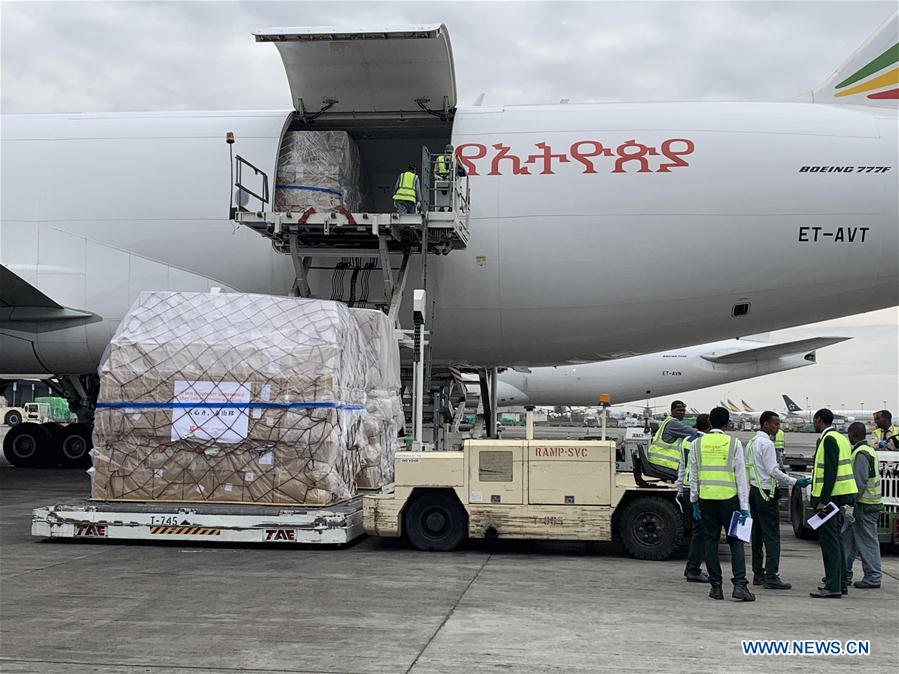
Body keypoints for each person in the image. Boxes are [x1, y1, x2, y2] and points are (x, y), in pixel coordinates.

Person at [689, 406, 754, 601]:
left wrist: (694, 501)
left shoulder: (697, 444)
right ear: (727, 423)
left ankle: (716, 587)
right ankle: (740, 586)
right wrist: (744, 507)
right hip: (729, 500)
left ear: (709, 422)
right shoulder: (733, 443)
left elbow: (693, 475)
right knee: (735, 542)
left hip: (706, 500)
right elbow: (741, 477)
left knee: (710, 541)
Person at [746, 411, 811, 589]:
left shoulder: (751, 443)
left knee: (757, 534)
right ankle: (771, 575)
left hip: (754, 490)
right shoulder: (766, 444)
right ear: (765, 424)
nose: (778, 427)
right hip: (766, 492)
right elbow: (773, 470)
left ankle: (758, 573)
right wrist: (795, 481)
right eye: (775, 424)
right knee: (772, 536)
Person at [809, 409, 859, 598]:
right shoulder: (840, 438)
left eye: (814, 421)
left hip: (830, 498)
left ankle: (833, 586)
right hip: (840, 496)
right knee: (836, 540)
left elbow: (829, 472)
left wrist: (823, 500)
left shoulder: (828, 440)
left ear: (818, 420)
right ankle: (840, 583)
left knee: (830, 542)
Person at [845, 421, 883, 589]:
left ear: (853, 435)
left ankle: (873, 577)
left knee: (867, 542)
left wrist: (851, 502)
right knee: (850, 540)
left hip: (865, 504)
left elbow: (860, 482)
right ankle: (844, 572)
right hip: (871, 502)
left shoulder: (860, 454)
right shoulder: (869, 451)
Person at [676, 413, 711, 583]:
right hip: (698, 490)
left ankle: (692, 567)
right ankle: (693, 569)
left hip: (687, 487)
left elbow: (682, 465)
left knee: (697, 532)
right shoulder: (704, 443)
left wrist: (679, 489)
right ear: (709, 425)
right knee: (701, 533)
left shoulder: (686, 441)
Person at [648, 400, 699, 476]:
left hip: (657, 460)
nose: (682, 413)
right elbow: (694, 433)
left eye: (683, 411)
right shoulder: (673, 423)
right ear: (672, 411)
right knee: (689, 475)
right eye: (679, 410)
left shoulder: (668, 421)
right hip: (663, 462)